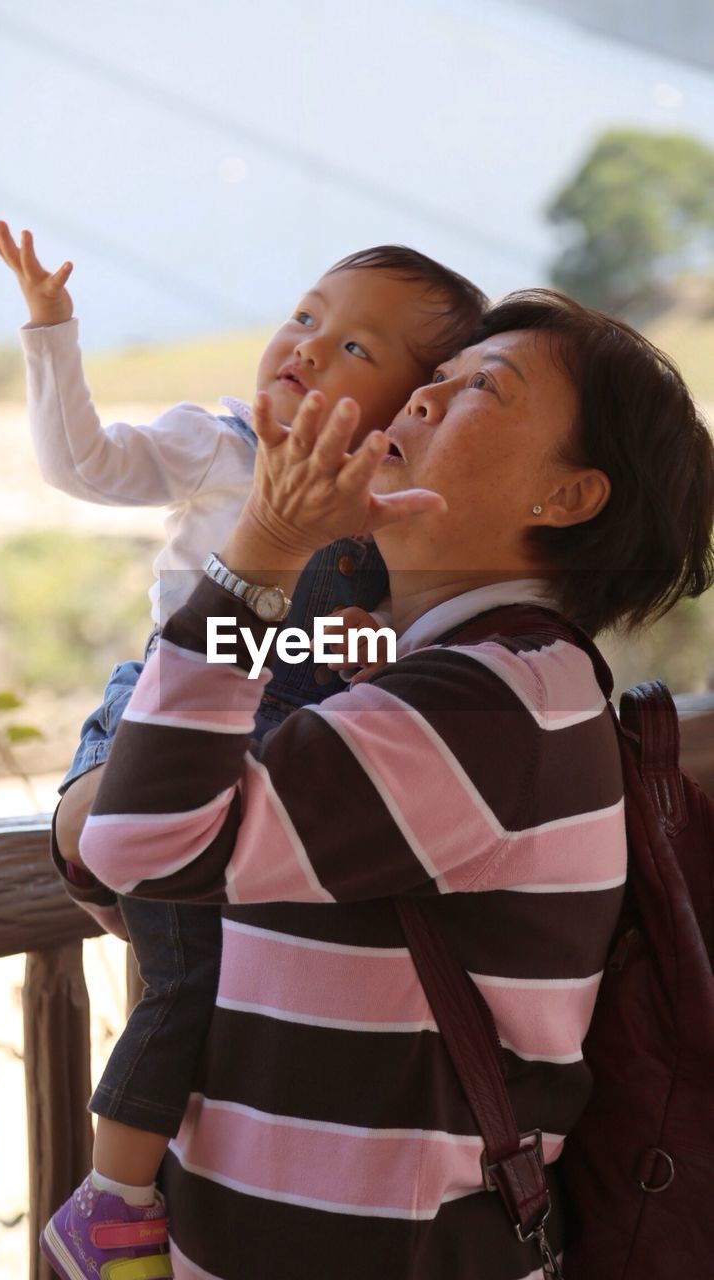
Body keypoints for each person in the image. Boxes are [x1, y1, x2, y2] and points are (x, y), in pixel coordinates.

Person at [61, 289, 713, 1279]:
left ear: (568, 496)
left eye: (478, 389)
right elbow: (122, 838)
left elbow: (131, 841)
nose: (416, 401)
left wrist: (260, 551)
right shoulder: (425, 672)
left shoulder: (492, 702)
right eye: (431, 380)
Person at [0, 221, 487, 1278]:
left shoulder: (388, 513)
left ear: (412, 402)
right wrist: (51, 328)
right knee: (189, 974)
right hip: (166, 718)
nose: (307, 345)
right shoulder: (221, 444)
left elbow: (354, 655)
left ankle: (184, 1173)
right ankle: (112, 1200)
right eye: (305, 316)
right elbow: (85, 465)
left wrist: (358, 646)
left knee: (248, 977)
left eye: (356, 346)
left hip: (273, 734)